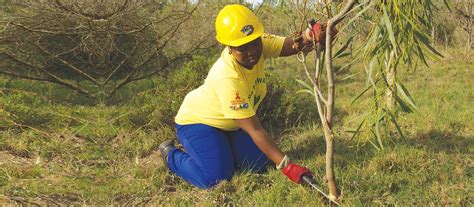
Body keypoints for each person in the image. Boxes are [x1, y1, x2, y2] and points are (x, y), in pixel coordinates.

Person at [159, 4, 328, 189]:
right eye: (242, 47)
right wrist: (288, 166)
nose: (252, 51)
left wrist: (313, 34)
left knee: (258, 164)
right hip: (198, 122)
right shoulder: (227, 76)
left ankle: (221, 150)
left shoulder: (260, 42)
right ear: (229, 47)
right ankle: (170, 155)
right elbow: (255, 130)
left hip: (231, 124)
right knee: (216, 179)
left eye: (255, 42)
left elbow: (292, 45)